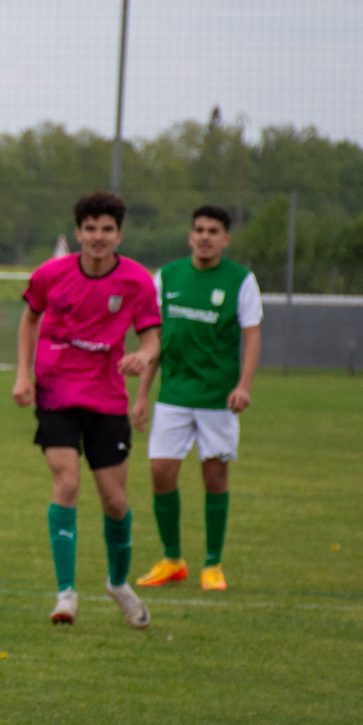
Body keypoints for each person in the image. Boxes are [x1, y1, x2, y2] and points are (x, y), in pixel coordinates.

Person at [12, 191, 161, 629]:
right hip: (56, 392)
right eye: (91, 228)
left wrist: (143, 356)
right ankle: (66, 594)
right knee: (67, 483)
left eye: (107, 229)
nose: (98, 236)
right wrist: (23, 374)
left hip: (107, 397)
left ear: (119, 235)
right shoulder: (50, 275)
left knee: (115, 501)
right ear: (78, 233)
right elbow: (29, 318)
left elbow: (152, 339)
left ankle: (118, 583)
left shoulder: (136, 281)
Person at [132, 205, 262, 592]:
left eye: (213, 231)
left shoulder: (241, 280)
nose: (205, 237)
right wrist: (142, 395)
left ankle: (213, 564)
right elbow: (154, 339)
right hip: (173, 395)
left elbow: (252, 335)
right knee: (160, 472)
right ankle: (172, 559)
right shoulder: (168, 276)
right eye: (200, 230)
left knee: (215, 477)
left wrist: (244, 386)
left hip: (217, 398)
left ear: (226, 239)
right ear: (190, 236)